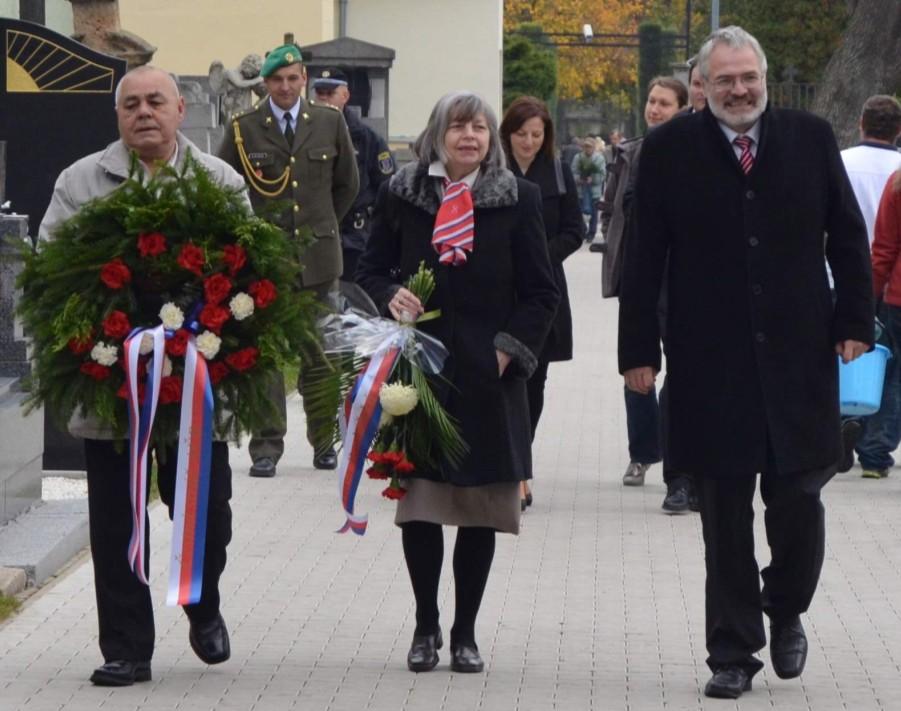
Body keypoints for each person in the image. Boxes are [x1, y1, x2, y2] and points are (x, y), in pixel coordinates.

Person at [618, 27, 873, 699]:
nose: (738, 90)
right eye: (725, 79)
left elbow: (847, 233)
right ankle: (731, 650)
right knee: (722, 513)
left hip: (797, 356)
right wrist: (637, 350)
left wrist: (853, 320)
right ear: (704, 85)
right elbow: (643, 257)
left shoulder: (810, 139)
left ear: (763, 78)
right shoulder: (670, 150)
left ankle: (784, 603)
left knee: (797, 500)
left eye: (748, 78)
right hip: (709, 360)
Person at [38, 66, 245, 687]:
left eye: (156, 101)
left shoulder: (218, 181)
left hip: (196, 378)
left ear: (181, 108)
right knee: (116, 519)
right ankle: (127, 648)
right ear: (118, 115)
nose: (144, 112)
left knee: (208, 512)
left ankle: (201, 603)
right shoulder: (81, 182)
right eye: (131, 104)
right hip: (112, 381)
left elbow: (249, 268)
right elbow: (50, 269)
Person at [356, 91, 559, 674]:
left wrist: (509, 350)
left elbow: (542, 292)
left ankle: (466, 632)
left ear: (490, 137)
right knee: (420, 505)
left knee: (479, 509)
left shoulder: (518, 198)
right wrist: (387, 295)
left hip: (488, 374)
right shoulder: (404, 194)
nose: (468, 136)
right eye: (457, 126)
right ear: (437, 134)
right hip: (420, 369)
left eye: (478, 127)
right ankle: (425, 626)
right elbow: (369, 267)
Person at [218, 42, 360, 476]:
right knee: (264, 357)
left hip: (318, 261)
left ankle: (323, 442)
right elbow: (228, 188)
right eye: (276, 80)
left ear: (304, 81)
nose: (284, 86)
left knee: (321, 355)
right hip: (265, 262)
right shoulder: (243, 129)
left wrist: (321, 229)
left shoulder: (329, 122)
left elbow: (347, 185)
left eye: (292, 79)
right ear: (266, 84)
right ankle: (265, 447)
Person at [601, 76, 695, 514]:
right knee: (637, 368)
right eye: (651, 101)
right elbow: (615, 207)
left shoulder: (696, 151)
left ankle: (680, 470)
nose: (655, 109)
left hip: (684, 281)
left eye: (664, 103)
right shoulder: (630, 152)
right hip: (640, 276)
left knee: (685, 372)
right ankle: (642, 452)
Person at [500, 96, 583, 511]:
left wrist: (541, 256)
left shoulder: (559, 171)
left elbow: (575, 230)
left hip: (543, 291)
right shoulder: (494, 172)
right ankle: (505, 469)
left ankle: (520, 467)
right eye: (521, 134)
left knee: (534, 382)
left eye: (536, 135)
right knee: (501, 381)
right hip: (500, 290)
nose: (529, 142)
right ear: (507, 133)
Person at [839, 95, 901, 478]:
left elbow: (885, 246)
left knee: (854, 359)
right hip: (887, 280)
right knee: (895, 375)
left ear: (861, 121)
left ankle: (846, 422)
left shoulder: (842, 163)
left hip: (860, 277)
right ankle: (875, 450)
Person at [311, 67, 395, 281]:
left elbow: (386, 189)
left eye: (330, 94)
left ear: (345, 96)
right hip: (312, 238)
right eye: (319, 93)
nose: (324, 99)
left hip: (354, 240)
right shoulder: (303, 136)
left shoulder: (367, 139)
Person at [570, 137, 605, 241]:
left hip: (594, 192)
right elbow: (573, 171)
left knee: (594, 214)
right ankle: (583, 230)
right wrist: (578, 179)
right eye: (585, 146)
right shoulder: (578, 157)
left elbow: (602, 174)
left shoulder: (599, 158)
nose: (587, 149)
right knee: (579, 213)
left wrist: (593, 179)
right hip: (580, 191)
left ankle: (591, 233)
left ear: (593, 147)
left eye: (589, 146)